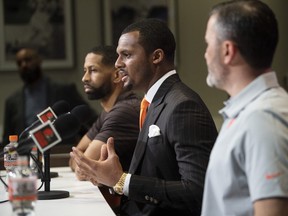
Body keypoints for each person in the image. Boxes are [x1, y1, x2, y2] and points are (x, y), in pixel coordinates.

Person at [71, 18, 218, 216]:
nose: (118, 64)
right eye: (117, 56)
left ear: (156, 56)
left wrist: (121, 180)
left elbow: (197, 190)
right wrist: (110, 180)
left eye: (126, 55)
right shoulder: (151, 101)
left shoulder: (183, 106)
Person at [201, 1, 288, 216]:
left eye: (208, 44)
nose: (205, 54)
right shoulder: (248, 112)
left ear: (227, 51)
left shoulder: (262, 119)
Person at [2, 47, 97, 147]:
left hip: (59, 154)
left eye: (28, 60)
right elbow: (7, 141)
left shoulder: (64, 90)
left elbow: (89, 118)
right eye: (19, 63)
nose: (24, 65)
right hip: (25, 156)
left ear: (39, 60)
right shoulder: (12, 101)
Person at [69, 45, 140, 178]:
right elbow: (77, 156)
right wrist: (82, 160)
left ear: (117, 75)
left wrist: (83, 159)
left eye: (93, 70)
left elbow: (83, 170)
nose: (85, 78)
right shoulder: (109, 111)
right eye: (85, 70)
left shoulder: (123, 112)